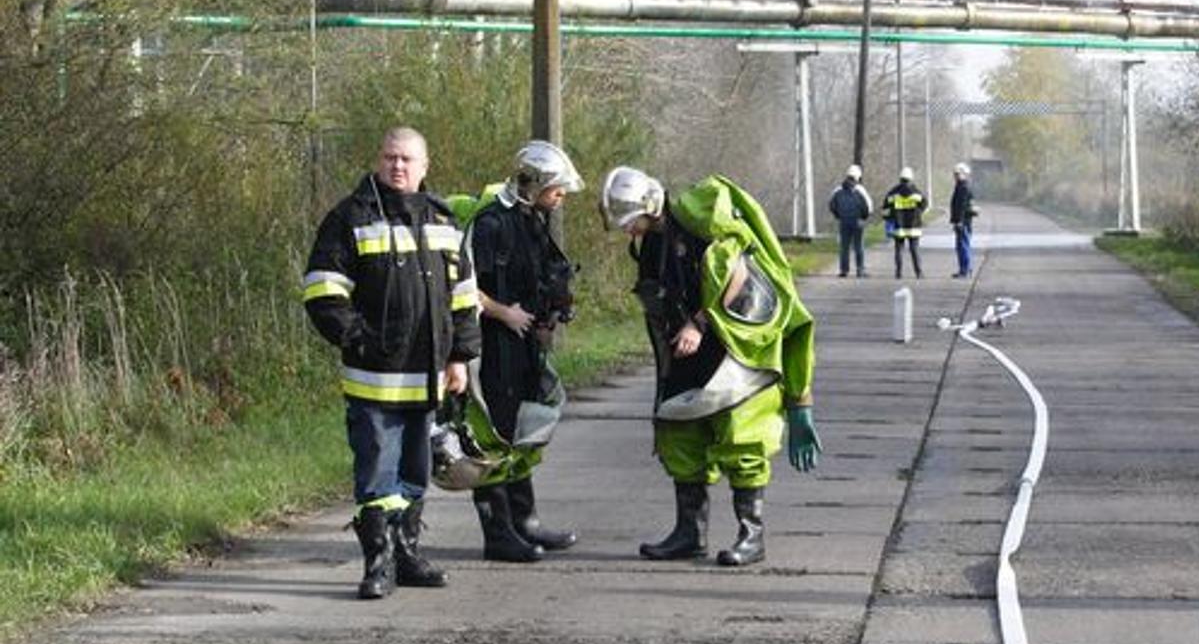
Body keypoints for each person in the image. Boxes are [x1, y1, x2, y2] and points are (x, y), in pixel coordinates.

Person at [600, 167, 824, 566]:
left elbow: (735, 273)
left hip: (732, 351)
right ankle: (689, 534)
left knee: (741, 440)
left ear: (649, 206)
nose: (627, 231)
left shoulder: (697, 230)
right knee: (681, 437)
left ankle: (751, 536)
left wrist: (698, 324)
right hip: (683, 356)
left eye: (629, 221)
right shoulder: (651, 243)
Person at [302, 127, 480, 599]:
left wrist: (461, 356)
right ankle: (377, 564)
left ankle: (407, 554)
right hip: (374, 379)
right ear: (378, 162)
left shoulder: (443, 219)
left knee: (416, 473)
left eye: (406, 159)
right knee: (378, 471)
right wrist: (361, 339)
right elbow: (322, 291)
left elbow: (462, 296)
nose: (397, 166)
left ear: (425, 166)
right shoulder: (350, 218)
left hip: (428, 377)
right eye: (389, 158)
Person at [464, 140, 584, 562]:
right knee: (493, 433)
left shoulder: (534, 220)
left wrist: (547, 318)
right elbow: (464, 285)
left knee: (522, 431)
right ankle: (498, 533)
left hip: (525, 344)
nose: (561, 196)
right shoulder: (491, 224)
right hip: (493, 345)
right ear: (533, 183)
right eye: (556, 188)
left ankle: (525, 521)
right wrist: (504, 314)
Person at [827, 164, 872, 278]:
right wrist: (864, 217)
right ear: (858, 177)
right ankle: (860, 270)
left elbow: (831, 205)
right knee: (858, 246)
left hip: (844, 221)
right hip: (857, 222)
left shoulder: (837, 190)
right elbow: (868, 207)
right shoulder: (860, 190)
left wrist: (838, 216)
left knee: (844, 247)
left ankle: (844, 270)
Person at [881, 168, 928, 279]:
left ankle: (898, 273)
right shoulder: (916, 192)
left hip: (899, 226)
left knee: (899, 250)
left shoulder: (894, 192)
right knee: (914, 250)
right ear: (911, 178)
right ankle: (919, 273)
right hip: (914, 226)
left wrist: (890, 216)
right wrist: (918, 213)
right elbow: (925, 204)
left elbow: (885, 206)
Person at [949, 163, 977, 278]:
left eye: (957, 174)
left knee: (963, 246)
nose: (955, 176)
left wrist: (959, 221)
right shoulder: (961, 187)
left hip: (963, 222)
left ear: (963, 174)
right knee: (961, 246)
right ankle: (965, 269)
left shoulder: (963, 188)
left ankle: (965, 271)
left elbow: (962, 206)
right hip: (962, 221)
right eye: (955, 174)